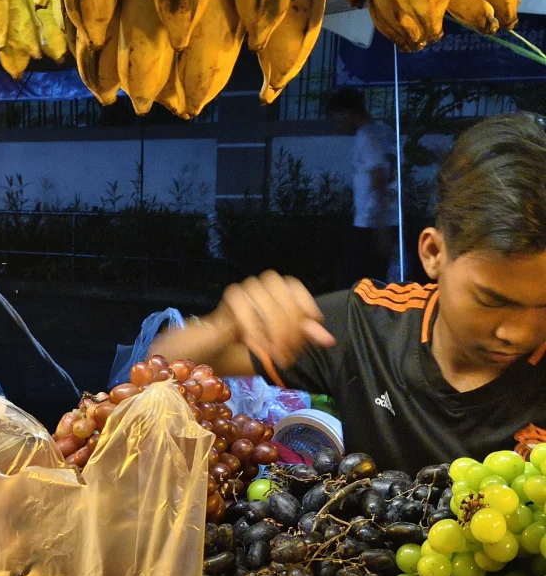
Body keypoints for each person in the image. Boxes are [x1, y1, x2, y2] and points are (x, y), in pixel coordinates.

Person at [150, 112, 546, 473]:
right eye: (491, 300)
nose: (519, 333)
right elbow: (163, 364)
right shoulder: (367, 325)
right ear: (433, 253)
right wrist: (226, 326)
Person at [327, 88, 399, 283]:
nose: (338, 126)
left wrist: (380, 228)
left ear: (348, 114)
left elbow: (379, 179)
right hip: (390, 219)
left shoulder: (367, 137)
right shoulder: (384, 131)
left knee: (355, 285)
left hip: (371, 223)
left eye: (336, 119)